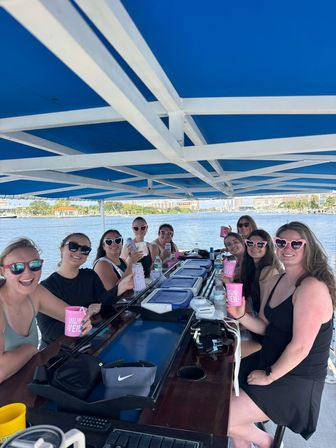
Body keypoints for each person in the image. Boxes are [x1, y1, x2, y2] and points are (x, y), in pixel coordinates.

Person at [227, 222, 335, 448]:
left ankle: (268, 443)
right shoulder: (278, 280)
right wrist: (240, 316)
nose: (288, 248)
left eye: (297, 243)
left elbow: (300, 348)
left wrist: (269, 376)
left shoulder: (312, 287)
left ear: (309, 247)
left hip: (296, 378)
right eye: (281, 242)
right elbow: (266, 326)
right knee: (222, 388)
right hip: (271, 359)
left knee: (222, 415)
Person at [0, 237, 93, 384]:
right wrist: (30, 350)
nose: (28, 273)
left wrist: (85, 321)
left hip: (26, 379)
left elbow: (71, 315)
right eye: (17, 267)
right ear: (3, 271)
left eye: (35, 265)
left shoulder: (35, 292)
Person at [37, 232, 133, 346]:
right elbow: (48, 331)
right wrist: (87, 315)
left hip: (92, 341)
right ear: (62, 249)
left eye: (85, 249)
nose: (78, 252)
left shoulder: (89, 275)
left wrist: (120, 288)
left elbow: (103, 301)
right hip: (60, 353)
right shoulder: (46, 287)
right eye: (73, 246)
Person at [240, 229, 283, 315]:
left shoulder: (268, 271)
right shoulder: (251, 267)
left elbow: (264, 311)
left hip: (266, 322)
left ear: (268, 247)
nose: (254, 247)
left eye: (260, 244)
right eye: (250, 243)